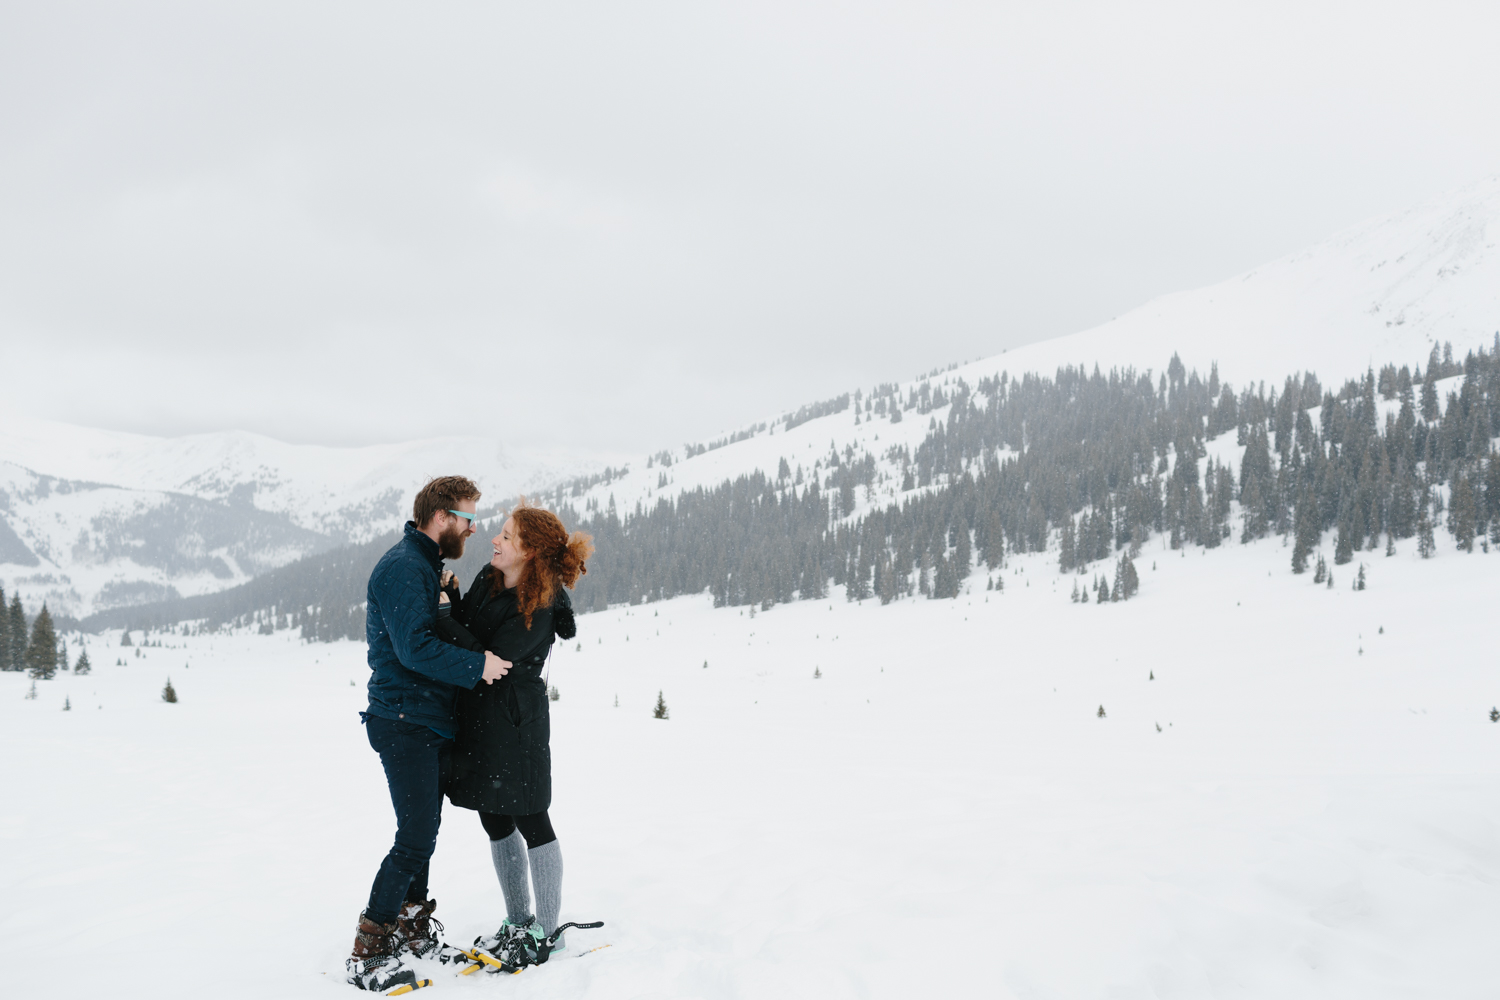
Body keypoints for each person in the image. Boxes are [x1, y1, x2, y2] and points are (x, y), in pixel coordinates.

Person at [347, 476, 511, 993]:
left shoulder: (425, 567)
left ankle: (412, 930)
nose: (472, 527)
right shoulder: (403, 567)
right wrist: (476, 665)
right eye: (467, 517)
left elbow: (426, 631)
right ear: (441, 517)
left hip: (423, 718)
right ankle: (368, 951)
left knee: (425, 834)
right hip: (403, 719)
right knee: (414, 837)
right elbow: (413, 648)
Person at [431, 502, 593, 967]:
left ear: (530, 553)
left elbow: (491, 661)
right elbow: (472, 629)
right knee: (494, 817)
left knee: (530, 817)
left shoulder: (538, 605)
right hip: (479, 718)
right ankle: (519, 921)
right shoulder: (488, 575)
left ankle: (548, 929)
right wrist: (455, 600)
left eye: (507, 536)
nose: (495, 540)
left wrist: (445, 620)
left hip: (515, 722)